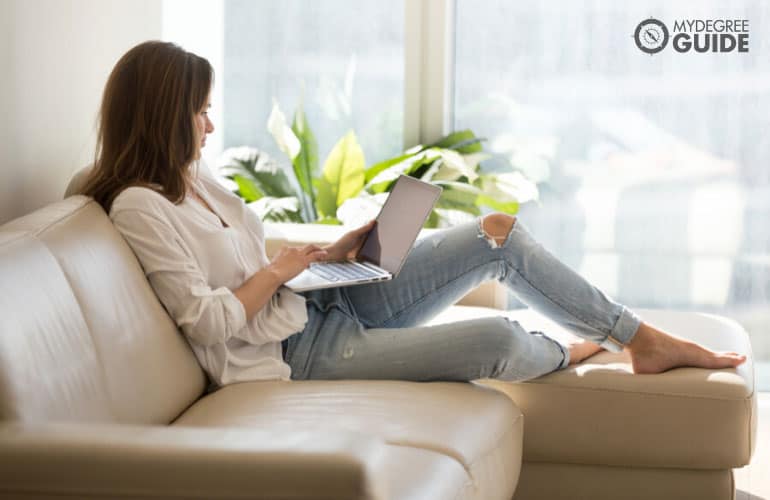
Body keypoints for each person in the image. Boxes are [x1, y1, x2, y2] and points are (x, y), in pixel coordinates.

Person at [81, 41, 746, 389]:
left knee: (496, 233)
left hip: (317, 305)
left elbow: (247, 268)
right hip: (300, 354)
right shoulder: (140, 206)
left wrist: (330, 257)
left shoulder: (196, 182)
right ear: (163, 116)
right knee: (499, 342)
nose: (210, 123)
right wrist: (279, 268)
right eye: (199, 110)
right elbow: (206, 321)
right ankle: (570, 349)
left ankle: (638, 338)